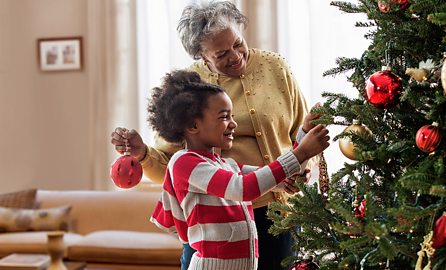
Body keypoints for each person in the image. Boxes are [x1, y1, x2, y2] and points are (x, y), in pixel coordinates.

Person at [110, 1, 325, 269]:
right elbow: (177, 170)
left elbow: (297, 136)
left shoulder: (276, 67)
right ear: (201, 56)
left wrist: (302, 166)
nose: (235, 56)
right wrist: (143, 155)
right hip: (218, 223)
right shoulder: (191, 92)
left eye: (238, 43)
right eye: (221, 54)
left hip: (282, 215)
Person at [148, 70, 330, 270]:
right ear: (193, 125)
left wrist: (304, 133)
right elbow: (244, 189)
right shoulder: (184, 163)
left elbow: (279, 177)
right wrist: (301, 153)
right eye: (224, 117)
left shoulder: (226, 164)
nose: (234, 124)